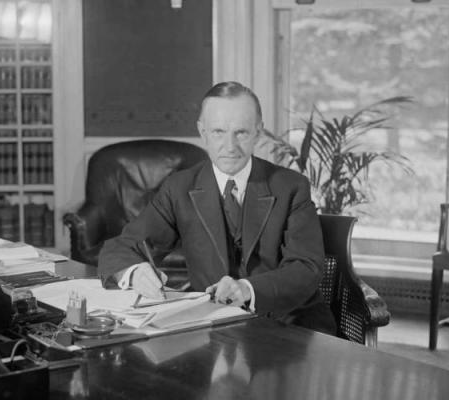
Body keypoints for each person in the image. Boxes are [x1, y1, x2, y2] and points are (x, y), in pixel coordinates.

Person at [97, 81, 335, 335]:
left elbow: (306, 268)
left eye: (241, 133)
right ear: (203, 132)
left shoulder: (292, 186)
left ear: (258, 132)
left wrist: (247, 289)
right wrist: (134, 272)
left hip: (290, 327)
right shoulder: (179, 188)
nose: (230, 147)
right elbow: (119, 249)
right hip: (215, 331)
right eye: (219, 132)